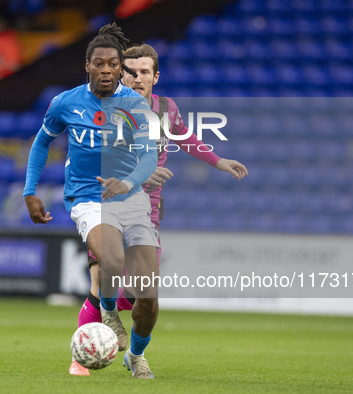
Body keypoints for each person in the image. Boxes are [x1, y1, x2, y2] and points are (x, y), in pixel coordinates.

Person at [69, 43, 249, 376]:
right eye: (131, 72)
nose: (137, 78)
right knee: (101, 280)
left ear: (155, 76)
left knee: (144, 296)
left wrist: (218, 160)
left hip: (146, 215)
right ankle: (81, 357)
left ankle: (134, 354)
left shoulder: (166, 109)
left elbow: (185, 137)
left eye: (144, 72)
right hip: (105, 207)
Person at [23, 23, 160, 379]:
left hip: (130, 199)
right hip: (87, 197)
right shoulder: (65, 102)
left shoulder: (136, 106)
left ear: (121, 69)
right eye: (98, 63)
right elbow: (41, 143)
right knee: (111, 262)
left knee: (148, 297)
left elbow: (148, 156)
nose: (105, 70)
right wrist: (29, 190)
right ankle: (110, 313)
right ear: (87, 66)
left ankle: (136, 355)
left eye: (112, 65)